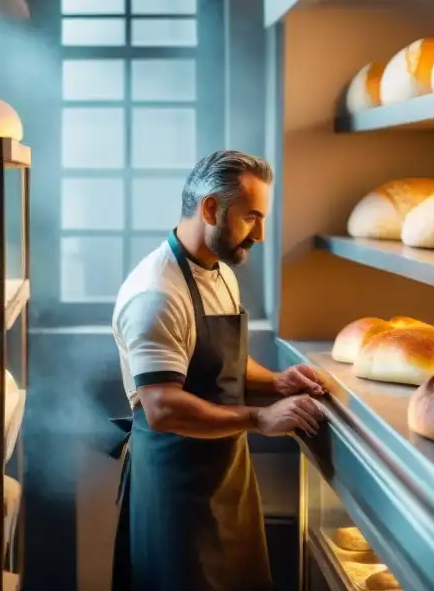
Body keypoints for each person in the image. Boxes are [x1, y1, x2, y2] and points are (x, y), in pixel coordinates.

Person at [110, 150, 326, 591]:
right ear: (210, 208)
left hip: (226, 474)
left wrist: (276, 382)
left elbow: (219, 357)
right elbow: (164, 407)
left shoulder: (219, 271)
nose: (260, 234)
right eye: (251, 218)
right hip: (175, 489)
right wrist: (260, 417)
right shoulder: (156, 294)